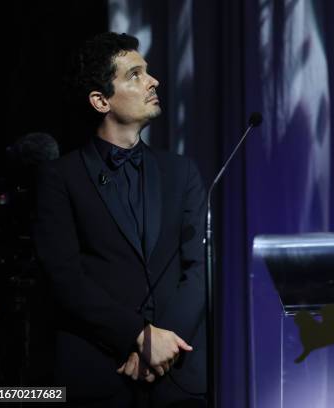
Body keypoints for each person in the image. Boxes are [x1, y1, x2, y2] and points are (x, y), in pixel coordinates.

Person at [34, 32, 206, 407]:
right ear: (100, 101)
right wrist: (138, 336)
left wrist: (164, 345)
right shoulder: (59, 178)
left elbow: (198, 270)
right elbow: (64, 278)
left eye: (148, 72)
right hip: (99, 375)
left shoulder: (182, 172)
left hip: (177, 380)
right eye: (135, 74)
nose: (153, 80)